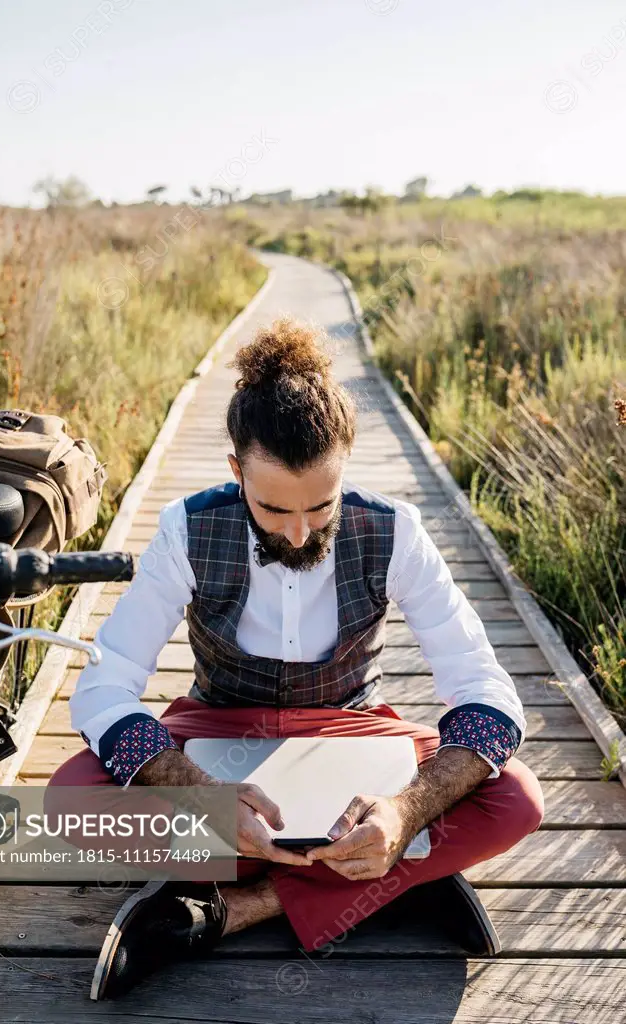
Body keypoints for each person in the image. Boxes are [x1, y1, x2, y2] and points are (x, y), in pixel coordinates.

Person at [48, 317, 544, 1002]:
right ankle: (391, 884)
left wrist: (405, 809)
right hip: (218, 731)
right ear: (235, 472)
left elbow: (486, 690)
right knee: (71, 801)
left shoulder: (396, 531)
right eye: (273, 508)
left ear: (345, 464)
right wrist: (200, 793)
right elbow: (105, 686)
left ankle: (224, 909)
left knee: (517, 796)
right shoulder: (186, 529)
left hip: (352, 732)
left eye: (322, 505)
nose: (300, 532)